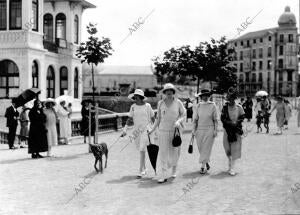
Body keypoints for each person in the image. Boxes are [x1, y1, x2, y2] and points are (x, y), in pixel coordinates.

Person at [148, 83, 186, 183]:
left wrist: (179, 121)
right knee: (163, 153)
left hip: (175, 131)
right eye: (167, 93)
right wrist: (152, 129)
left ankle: (174, 170)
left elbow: (183, 115)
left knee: (175, 151)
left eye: (171, 93)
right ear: (164, 93)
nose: (169, 95)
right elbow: (158, 119)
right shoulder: (160, 103)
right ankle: (164, 175)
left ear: (173, 93)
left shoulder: (178, 103)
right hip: (163, 131)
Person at [122, 89, 155, 178]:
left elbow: (152, 117)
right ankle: (144, 168)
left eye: (137, 96)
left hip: (146, 130)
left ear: (141, 97)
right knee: (141, 150)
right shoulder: (133, 106)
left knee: (142, 149)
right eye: (134, 96)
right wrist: (125, 130)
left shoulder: (148, 106)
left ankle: (141, 170)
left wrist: (156, 129)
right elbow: (129, 119)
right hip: (136, 131)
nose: (135, 98)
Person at [192, 89, 218, 174]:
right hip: (199, 129)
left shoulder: (213, 105)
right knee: (201, 148)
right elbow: (195, 120)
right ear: (201, 97)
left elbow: (215, 120)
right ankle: (206, 162)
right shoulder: (198, 106)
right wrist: (193, 130)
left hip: (210, 129)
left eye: (207, 95)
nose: (205, 97)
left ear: (209, 96)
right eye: (203, 95)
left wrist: (215, 130)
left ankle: (202, 167)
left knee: (206, 148)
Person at [221, 88, 245, 176]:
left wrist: (236, 122)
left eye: (232, 98)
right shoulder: (224, 108)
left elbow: (242, 117)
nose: (230, 100)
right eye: (229, 98)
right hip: (227, 130)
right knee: (227, 148)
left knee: (235, 149)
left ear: (234, 98)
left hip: (236, 131)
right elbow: (222, 118)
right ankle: (229, 161)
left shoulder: (239, 107)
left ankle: (232, 168)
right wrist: (229, 123)